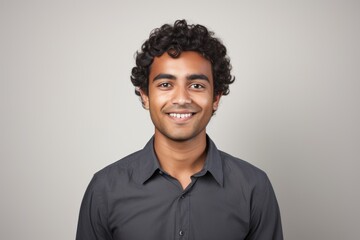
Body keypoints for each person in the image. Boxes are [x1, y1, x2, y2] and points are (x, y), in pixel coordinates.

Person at [76, 19, 283, 240]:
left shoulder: (254, 187)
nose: (182, 99)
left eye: (197, 86)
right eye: (165, 84)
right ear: (145, 96)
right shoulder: (105, 189)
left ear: (216, 98)